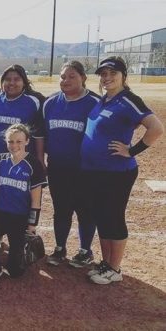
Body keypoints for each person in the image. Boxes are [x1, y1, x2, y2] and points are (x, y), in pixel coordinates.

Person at [80, 56, 164, 285]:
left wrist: (132, 150)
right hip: (95, 171)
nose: (107, 78)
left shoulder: (128, 100)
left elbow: (156, 128)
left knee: (113, 218)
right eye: (104, 74)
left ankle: (115, 268)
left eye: (112, 73)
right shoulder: (105, 99)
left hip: (116, 172)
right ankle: (106, 263)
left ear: (123, 76)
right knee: (101, 217)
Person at [42, 61, 100, 268]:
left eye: (72, 76)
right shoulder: (50, 103)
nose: (65, 80)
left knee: (85, 209)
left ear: (83, 78)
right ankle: (60, 248)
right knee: (61, 209)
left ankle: (85, 251)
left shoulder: (95, 103)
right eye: (62, 76)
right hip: (58, 167)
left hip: (85, 169)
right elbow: (43, 136)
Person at [0, 123, 47, 287]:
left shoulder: (33, 164)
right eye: (11, 141)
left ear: (27, 141)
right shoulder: (0, 161)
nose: (14, 145)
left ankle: (19, 252)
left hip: (19, 219)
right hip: (0, 214)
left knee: (15, 272)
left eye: (19, 141)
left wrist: (31, 225)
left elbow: (36, 200)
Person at [0, 64, 45, 172]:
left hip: (21, 164)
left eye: (16, 79)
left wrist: (40, 159)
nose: (11, 83)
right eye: (7, 79)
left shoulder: (34, 102)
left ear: (24, 82)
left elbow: (39, 134)